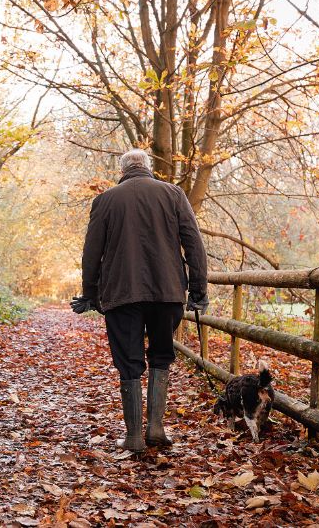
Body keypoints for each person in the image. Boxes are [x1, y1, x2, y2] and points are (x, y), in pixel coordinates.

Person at [72, 149, 208, 451]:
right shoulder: (173, 194)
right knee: (162, 354)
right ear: (148, 167)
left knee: (129, 360)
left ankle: (134, 436)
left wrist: (89, 293)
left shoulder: (105, 200)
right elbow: (194, 244)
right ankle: (156, 427)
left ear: (122, 170)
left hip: (122, 293)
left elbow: (91, 253)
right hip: (168, 291)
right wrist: (199, 291)